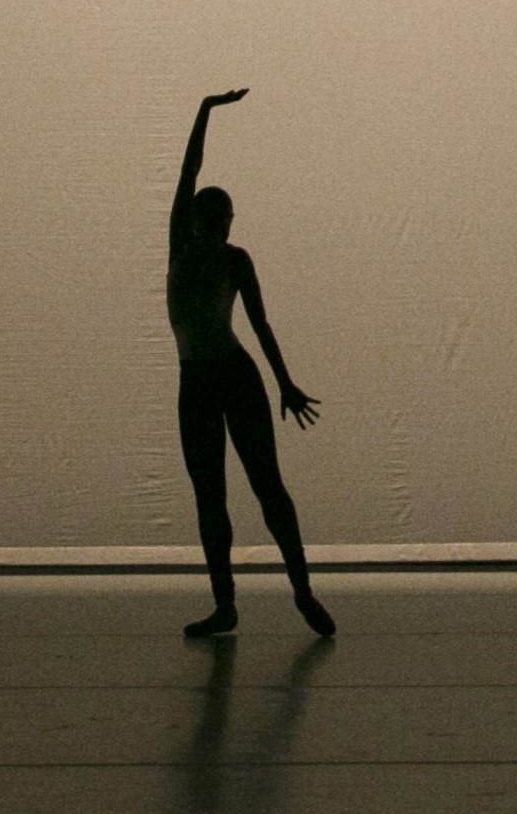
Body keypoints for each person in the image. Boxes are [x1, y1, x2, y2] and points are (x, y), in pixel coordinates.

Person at [168, 88, 335, 638]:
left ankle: (303, 590)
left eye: (224, 219)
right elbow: (187, 172)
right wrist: (204, 111)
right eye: (211, 217)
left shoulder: (234, 260)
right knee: (209, 495)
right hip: (197, 382)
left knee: (267, 486)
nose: (219, 226)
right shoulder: (182, 246)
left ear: (229, 224)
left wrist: (285, 382)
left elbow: (261, 324)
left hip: (235, 377)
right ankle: (226, 604)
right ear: (197, 219)